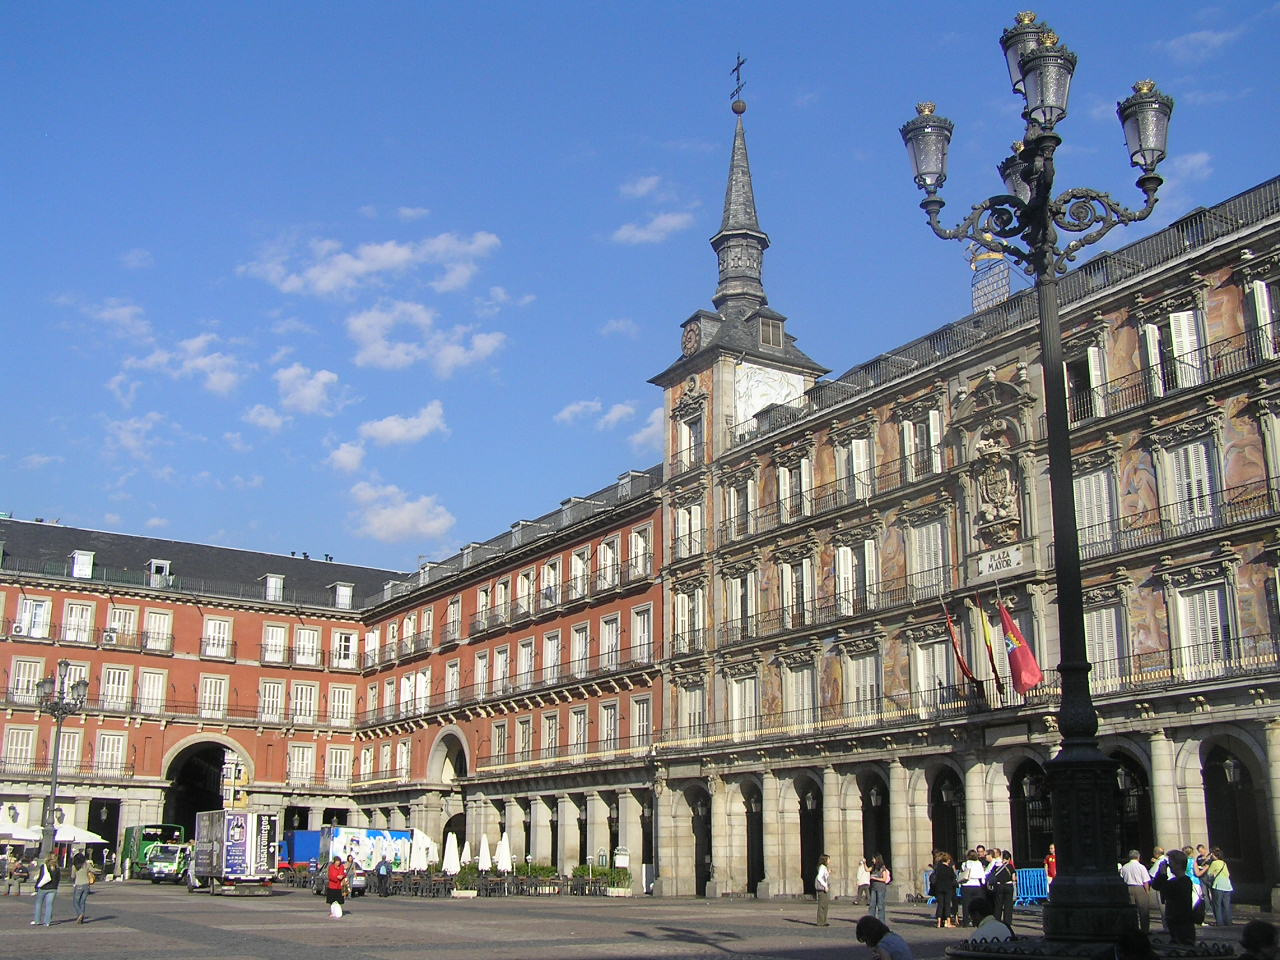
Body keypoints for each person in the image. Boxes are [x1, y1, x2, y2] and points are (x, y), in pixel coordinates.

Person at [1150, 848, 1196, 945]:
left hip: (1182, 925)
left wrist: (1163, 875)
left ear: (1178, 864)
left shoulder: (1185, 881)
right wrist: (1160, 872)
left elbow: (1166, 889)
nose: (1169, 865)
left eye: (1171, 863)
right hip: (1174, 922)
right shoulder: (1174, 881)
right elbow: (1156, 886)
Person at [1120, 849, 1152, 934]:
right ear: (1138, 857)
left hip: (1128, 888)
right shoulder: (1141, 867)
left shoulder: (1124, 867)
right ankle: (1145, 930)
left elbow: (1121, 879)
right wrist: (1147, 892)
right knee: (1143, 911)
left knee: (1131, 911)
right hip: (1139, 888)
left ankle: (1132, 929)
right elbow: (1145, 881)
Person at [985, 849, 1016, 931]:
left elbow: (992, 875)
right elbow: (1013, 878)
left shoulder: (996, 866)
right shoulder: (1011, 866)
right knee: (1008, 905)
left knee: (998, 904)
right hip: (1009, 886)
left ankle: (997, 920)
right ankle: (1007, 921)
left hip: (999, 886)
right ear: (1009, 858)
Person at [1202, 847, 1232, 926]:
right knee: (1226, 905)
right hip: (1227, 885)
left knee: (1217, 905)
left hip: (1218, 885)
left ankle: (1219, 922)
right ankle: (1228, 922)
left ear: (1215, 856)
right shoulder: (1224, 863)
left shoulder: (1214, 863)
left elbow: (1209, 874)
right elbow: (1228, 874)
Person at [31, 853, 60, 927]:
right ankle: (47, 922)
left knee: (38, 904)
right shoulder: (57, 868)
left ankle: (37, 920)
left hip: (43, 888)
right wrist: (55, 887)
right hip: (53, 888)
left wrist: (36, 887)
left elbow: (40, 878)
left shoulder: (44, 866)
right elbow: (58, 879)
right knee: (49, 905)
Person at [958, 849, 985, 926]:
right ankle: (976, 921)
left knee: (966, 904)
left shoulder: (965, 864)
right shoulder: (979, 863)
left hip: (967, 885)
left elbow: (962, 872)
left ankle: (966, 921)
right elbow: (982, 875)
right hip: (976, 885)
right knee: (976, 904)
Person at [930, 853, 957, 929]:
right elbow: (953, 877)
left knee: (940, 905)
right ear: (948, 860)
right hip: (948, 888)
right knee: (947, 904)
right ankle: (948, 922)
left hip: (939, 888)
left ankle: (938, 923)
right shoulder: (949, 869)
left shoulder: (937, 868)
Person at [70, 851, 92, 924]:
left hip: (78, 884)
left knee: (75, 901)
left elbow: (72, 876)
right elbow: (93, 870)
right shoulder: (86, 865)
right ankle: (81, 918)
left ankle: (80, 914)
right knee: (82, 902)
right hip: (86, 885)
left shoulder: (75, 866)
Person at [868, 854, 891, 923]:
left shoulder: (882, 868)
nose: (872, 860)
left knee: (880, 905)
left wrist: (875, 878)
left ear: (877, 859)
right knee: (872, 905)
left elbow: (884, 879)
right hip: (874, 888)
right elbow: (867, 870)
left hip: (880, 888)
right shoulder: (873, 867)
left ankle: (881, 921)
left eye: (873, 859)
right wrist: (863, 863)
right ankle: (871, 920)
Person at [815, 854, 831, 926]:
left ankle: (824, 921)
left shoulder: (824, 867)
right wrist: (825, 886)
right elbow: (819, 878)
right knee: (822, 905)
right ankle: (820, 922)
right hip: (822, 889)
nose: (829, 861)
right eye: (828, 859)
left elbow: (825, 876)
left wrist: (828, 873)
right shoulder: (822, 867)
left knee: (825, 905)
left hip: (824, 888)